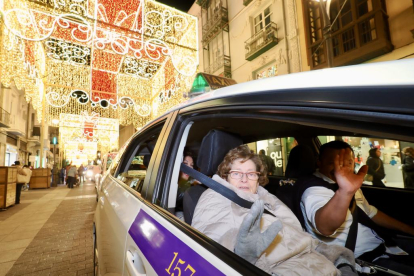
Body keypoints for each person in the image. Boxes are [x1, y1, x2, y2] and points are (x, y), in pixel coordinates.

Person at [192, 145, 357, 275]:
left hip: (320, 265)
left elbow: (299, 237)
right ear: (226, 176)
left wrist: (338, 258)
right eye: (236, 173)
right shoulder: (215, 196)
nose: (244, 179)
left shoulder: (266, 198)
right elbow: (210, 242)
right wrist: (241, 255)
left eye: (251, 174)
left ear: (258, 178)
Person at [298, 141, 414, 274]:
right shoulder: (313, 189)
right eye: (333, 163)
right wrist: (345, 192)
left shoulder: (347, 182)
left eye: (348, 163)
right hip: (362, 261)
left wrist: (410, 230)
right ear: (319, 162)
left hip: (383, 246)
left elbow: (369, 212)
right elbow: (324, 226)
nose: (340, 168)